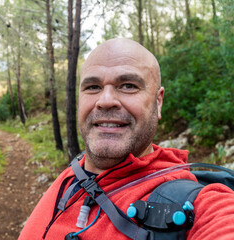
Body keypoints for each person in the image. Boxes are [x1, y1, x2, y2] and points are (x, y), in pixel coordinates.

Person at [18, 38, 234, 240]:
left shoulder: (202, 205)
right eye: (93, 87)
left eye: (128, 85)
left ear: (158, 102)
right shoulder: (72, 174)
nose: (106, 101)